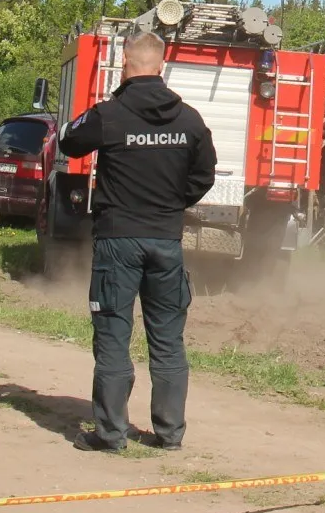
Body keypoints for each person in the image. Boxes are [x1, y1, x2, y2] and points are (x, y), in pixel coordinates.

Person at [59, 31, 215, 452]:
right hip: (165, 241)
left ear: (126, 62)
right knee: (167, 338)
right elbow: (205, 176)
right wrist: (172, 204)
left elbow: (69, 140)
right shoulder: (190, 119)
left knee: (112, 334)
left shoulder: (109, 114)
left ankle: (110, 434)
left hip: (118, 241)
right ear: (161, 66)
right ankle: (169, 434)